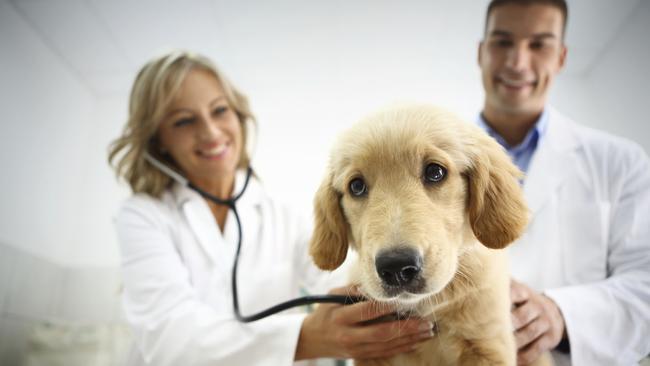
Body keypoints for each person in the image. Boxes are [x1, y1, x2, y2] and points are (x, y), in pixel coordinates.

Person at [108, 50, 434, 366]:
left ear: (238, 115)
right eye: (183, 121)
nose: (209, 132)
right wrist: (306, 338)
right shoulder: (142, 215)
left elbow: (338, 283)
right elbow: (170, 340)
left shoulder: (282, 216)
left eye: (219, 110)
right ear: (158, 140)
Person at [476, 0, 650, 365]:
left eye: (539, 44)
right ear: (481, 51)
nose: (517, 62)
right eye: (502, 42)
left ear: (561, 57)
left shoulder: (621, 162)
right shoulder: (434, 165)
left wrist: (560, 313)